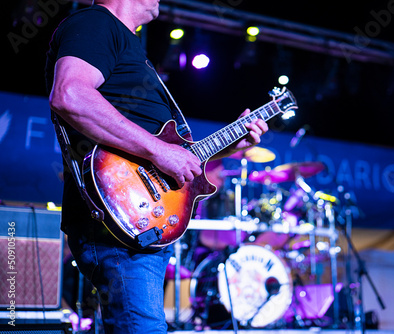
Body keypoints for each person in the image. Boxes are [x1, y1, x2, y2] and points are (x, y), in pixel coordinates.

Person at [45, 0, 268, 333]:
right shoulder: (95, 22)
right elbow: (70, 95)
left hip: (143, 221)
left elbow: (170, 154)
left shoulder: (128, 45)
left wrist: (230, 147)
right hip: (119, 219)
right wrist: (158, 151)